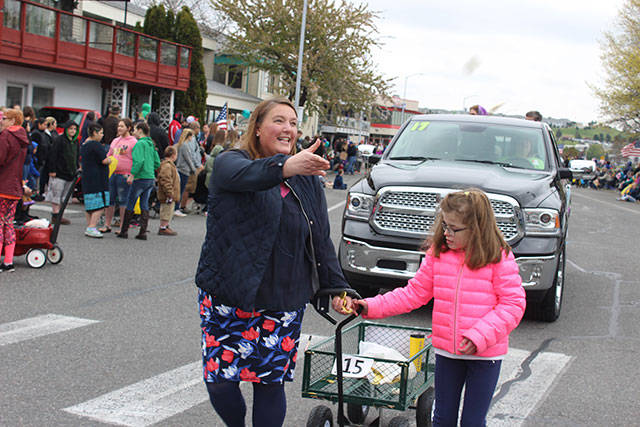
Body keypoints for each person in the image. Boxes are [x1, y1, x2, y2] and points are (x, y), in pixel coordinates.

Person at [194, 97, 354, 427]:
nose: (288, 129)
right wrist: (286, 167)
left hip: (283, 296)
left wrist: (337, 287)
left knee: (269, 382)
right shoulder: (230, 162)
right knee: (220, 383)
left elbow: (320, 237)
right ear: (257, 129)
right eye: (279, 121)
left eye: (293, 123)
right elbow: (248, 176)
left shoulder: (306, 177)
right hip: (230, 293)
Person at [348, 189, 526, 427]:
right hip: (446, 352)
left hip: (485, 355)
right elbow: (413, 293)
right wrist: (369, 306)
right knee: (442, 419)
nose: (446, 233)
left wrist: (480, 335)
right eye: (445, 225)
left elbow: (513, 304)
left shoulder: (498, 257)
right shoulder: (438, 254)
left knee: (473, 421)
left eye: (454, 228)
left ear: (476, 227)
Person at [117, 122, 160, 240]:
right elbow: (157, 162)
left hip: (140, 177)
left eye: (135, 129)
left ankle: (124, 231)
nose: (133, 132)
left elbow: (139, 161)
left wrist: (132, 175)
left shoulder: (139, 144)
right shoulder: (151, 144)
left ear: (140, 130)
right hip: (150, 177)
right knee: (144, 204)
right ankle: (143, 232)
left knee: (131, 202)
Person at [0, 109, 29, 272]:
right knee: (8, 223)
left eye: (5, 118)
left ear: (13, 121)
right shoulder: (23, 138)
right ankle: (8, 261)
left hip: (3, 185)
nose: (2, 121)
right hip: (15, 187)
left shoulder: (5, 136)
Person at [103, 118, 137, 233]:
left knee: (123, 200)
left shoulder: (133, 142)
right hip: (113, 173)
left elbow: (136, 159)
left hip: (125, 174)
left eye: (122, 126)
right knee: (110, 199)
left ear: (129, 128)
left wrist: (132, 175)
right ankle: (107, 224)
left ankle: (123, 226)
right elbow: (109, 154)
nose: (119, 128)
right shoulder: (115, 140)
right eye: (118, 126)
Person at [80, 123, 112, 238]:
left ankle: (90, 225)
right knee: (100, 205)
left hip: (87, 177)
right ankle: (92, 227)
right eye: (101, 133)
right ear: (94, 133)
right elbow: (104, 160)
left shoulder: (84, 145)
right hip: (98, 178)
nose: (102, 135)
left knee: (89, 205)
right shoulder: (96, 145)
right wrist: (110, 160)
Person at [45, 120, 79, 225]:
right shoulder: (59, 140)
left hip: (70, 173)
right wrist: (52, 170)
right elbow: (53, 155)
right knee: (56, 193)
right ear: (66, 129)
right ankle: (55, 215)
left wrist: (77, 168)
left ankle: (60, 214)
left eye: (74, 129)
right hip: (59, 172)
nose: (72, 131)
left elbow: (76, 157)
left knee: (64, 196)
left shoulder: (75, 142)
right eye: (70, 129)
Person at [175, 128, 202, 215]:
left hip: (182, 168)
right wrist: (194, 169)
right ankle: (177, 208)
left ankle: (177, 207)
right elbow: (188, 159)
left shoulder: (181, 145)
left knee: (181, 189)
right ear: (189, 136)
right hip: (184, 169)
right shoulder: (185, 146)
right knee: (181, 189)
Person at [156, 146, 180, 236]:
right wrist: (169, 192)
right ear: (173, 155)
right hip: (167, 194)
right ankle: (163, 227)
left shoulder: (168, 165)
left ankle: (166, 225)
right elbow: (165, 179)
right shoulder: (167, 166)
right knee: (166, 210)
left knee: (169, 210)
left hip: (170, 193)